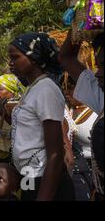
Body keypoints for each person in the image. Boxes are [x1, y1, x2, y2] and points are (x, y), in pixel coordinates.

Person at [9, 32, 74, 201]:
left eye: (15, 57)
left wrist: (43, 197)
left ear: (34, 58)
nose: (11, 63)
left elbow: (55, 153)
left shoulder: (46, 90)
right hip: (29, 175)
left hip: (45, 179)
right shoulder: (33, 88)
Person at [59, 31, 104, 200]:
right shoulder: (101, 96)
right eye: (98, 66)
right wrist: (80, 16)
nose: (97, 73)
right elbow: (65, 57)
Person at [62, 74, 96, 200]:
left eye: (70, 88)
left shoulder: (98, 111)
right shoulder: (65, 110)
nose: (66, 92)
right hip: (76, 168)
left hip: (96, 169)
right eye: (64, 88)